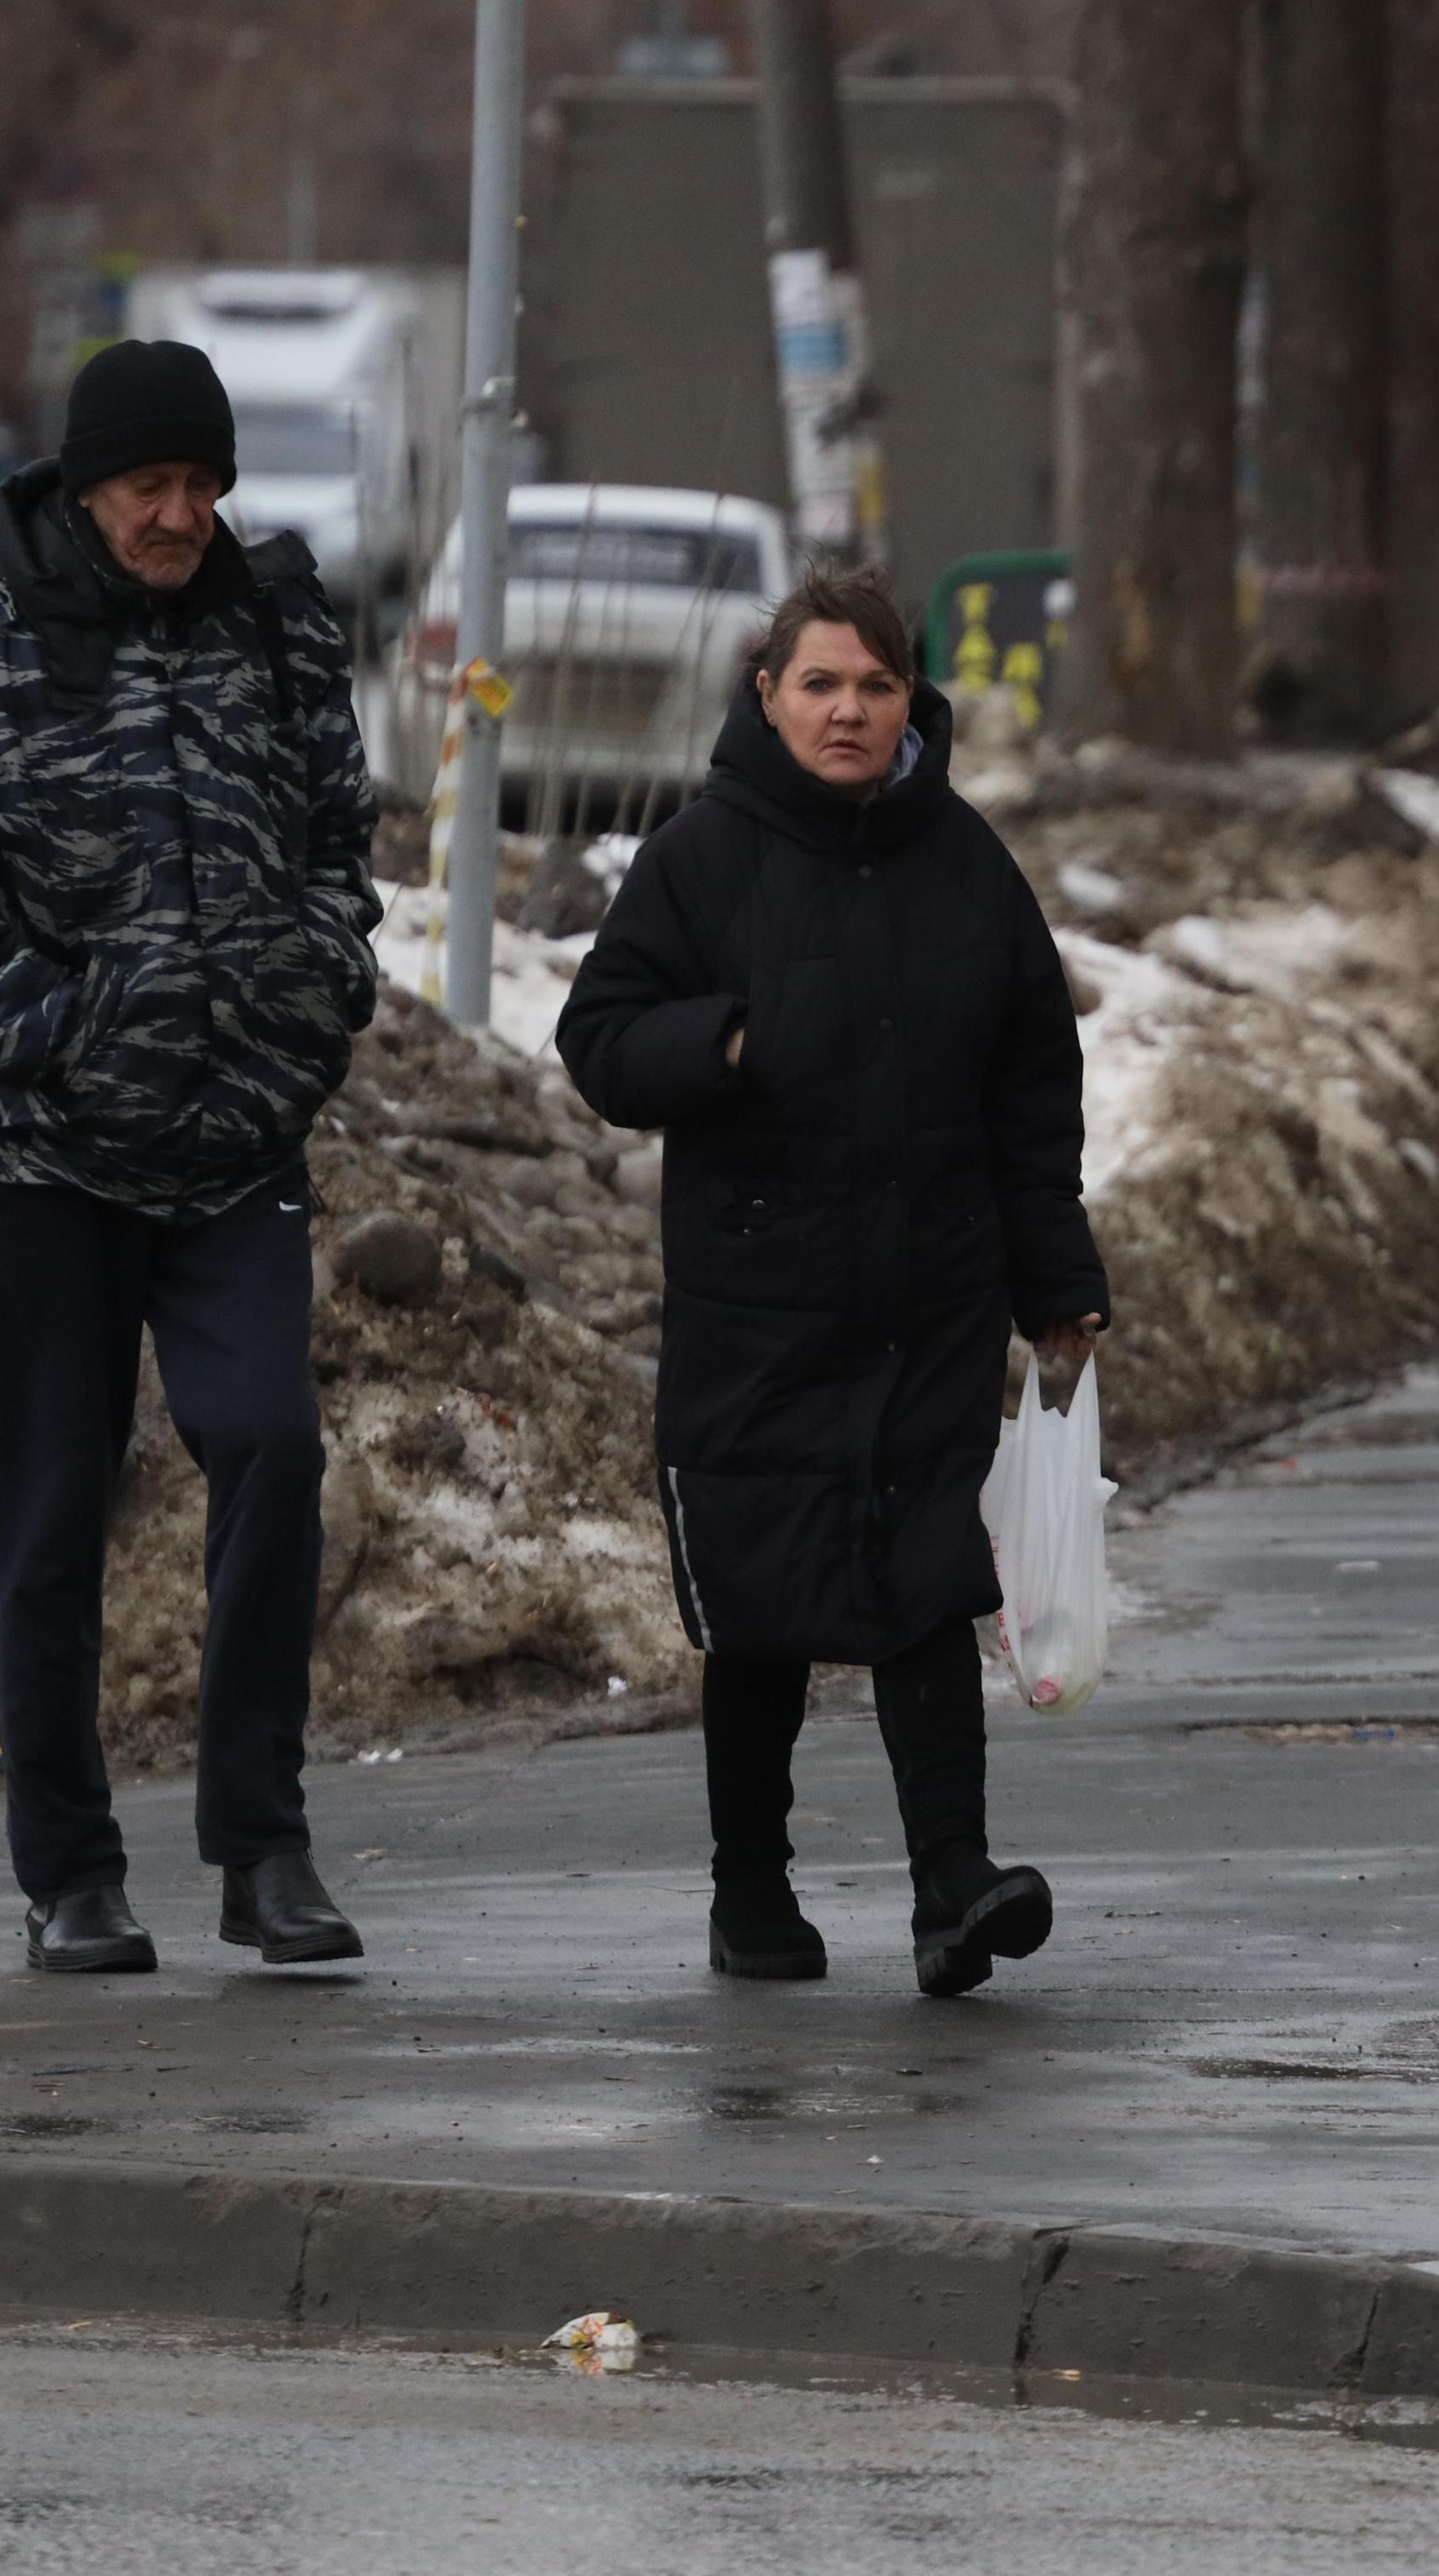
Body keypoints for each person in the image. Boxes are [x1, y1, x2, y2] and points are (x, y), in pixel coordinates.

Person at [0, 341, 381, 1975]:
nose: (181, 515)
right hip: (47, 1161)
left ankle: (261, 1848)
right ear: (87, 483)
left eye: (204, 486)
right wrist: (50, 1027)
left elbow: (340, 838)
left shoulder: (276, 625)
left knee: (273, 1447)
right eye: (152, 485)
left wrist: (315, 988)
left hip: (235, 1144)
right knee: (56, 1515)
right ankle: (70, 1870)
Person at [556, 573, 1108, 1996]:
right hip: (761, 1306)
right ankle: (753, 1893)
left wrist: (1055, 1274)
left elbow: (1032, 1085)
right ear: (769, 697)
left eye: (873, 686)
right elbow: (601, 1035)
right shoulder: (700, 859)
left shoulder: (967, 864)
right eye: (820, 684)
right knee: (763, 1604)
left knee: (930, 1579)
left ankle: (954, 1891)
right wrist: (727, 1042)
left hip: (927, 1297)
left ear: (909, 700)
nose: (848, 710)